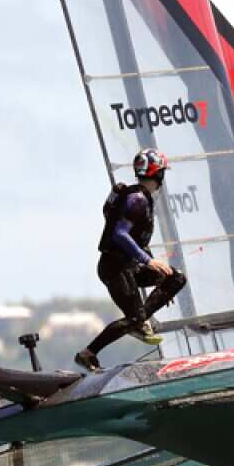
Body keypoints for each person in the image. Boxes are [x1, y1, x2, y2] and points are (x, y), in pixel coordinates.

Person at [74, 148, 187, 371]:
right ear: (158, 174)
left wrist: (161, 285)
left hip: (129, 266)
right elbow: (119, 234)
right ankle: (88, 353)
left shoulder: (140, 196)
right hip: (114, 268)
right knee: (135, 318)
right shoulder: (137, 199)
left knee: (175, 278)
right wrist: (147, 260)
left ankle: (140, 320)